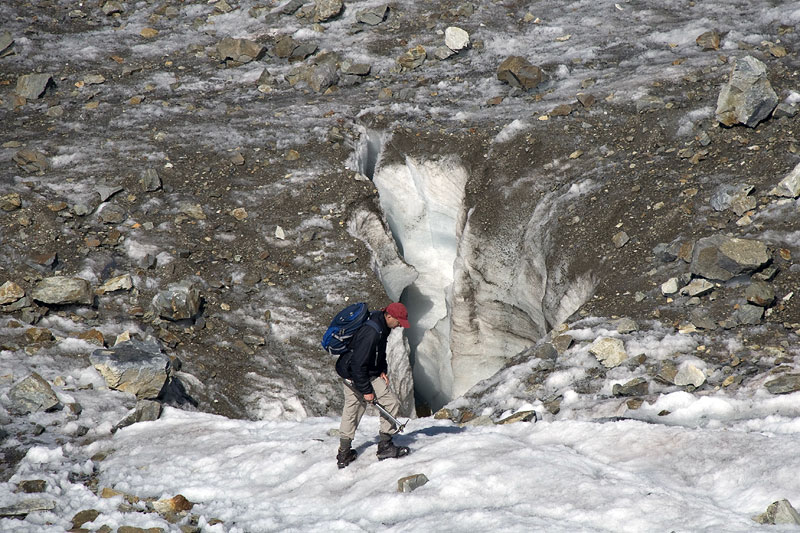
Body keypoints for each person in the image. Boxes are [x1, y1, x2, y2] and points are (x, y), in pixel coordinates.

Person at [335, 302, 410, 468]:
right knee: (388, 403)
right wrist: (366, 390)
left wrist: (381, 369)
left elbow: (379, 351)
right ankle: (385, 447)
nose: (399, 325)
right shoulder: (372, 331)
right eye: (398, 321)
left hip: (356, 371)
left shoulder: (381, 325)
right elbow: (358, 364)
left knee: (352, 410)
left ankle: (344, 453)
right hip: (357, 373)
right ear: (389, 316)